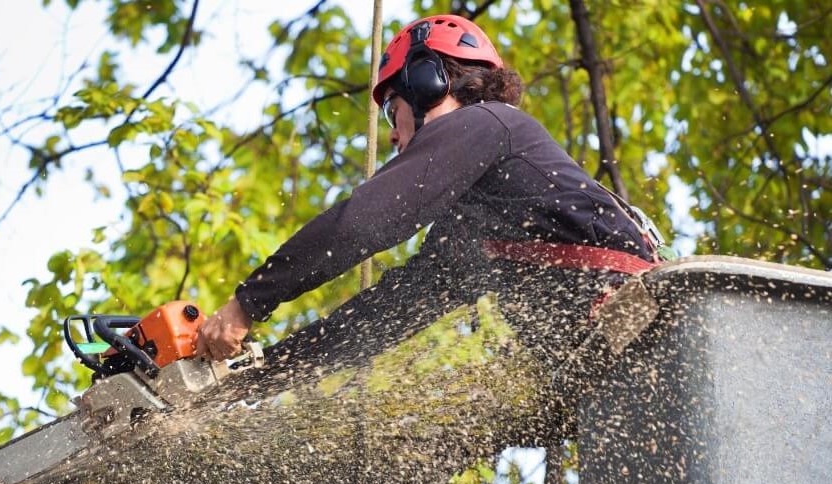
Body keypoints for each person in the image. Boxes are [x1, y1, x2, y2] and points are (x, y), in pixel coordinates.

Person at [195, 14, 664, 378]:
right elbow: (387, 313)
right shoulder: (478, 222)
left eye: (391, 109)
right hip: (616, 362)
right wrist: (260, 374)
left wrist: (248, 303)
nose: (394, 137)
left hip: (642, 327)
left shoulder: (488, 123)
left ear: (427, 82)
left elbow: (362, 222)